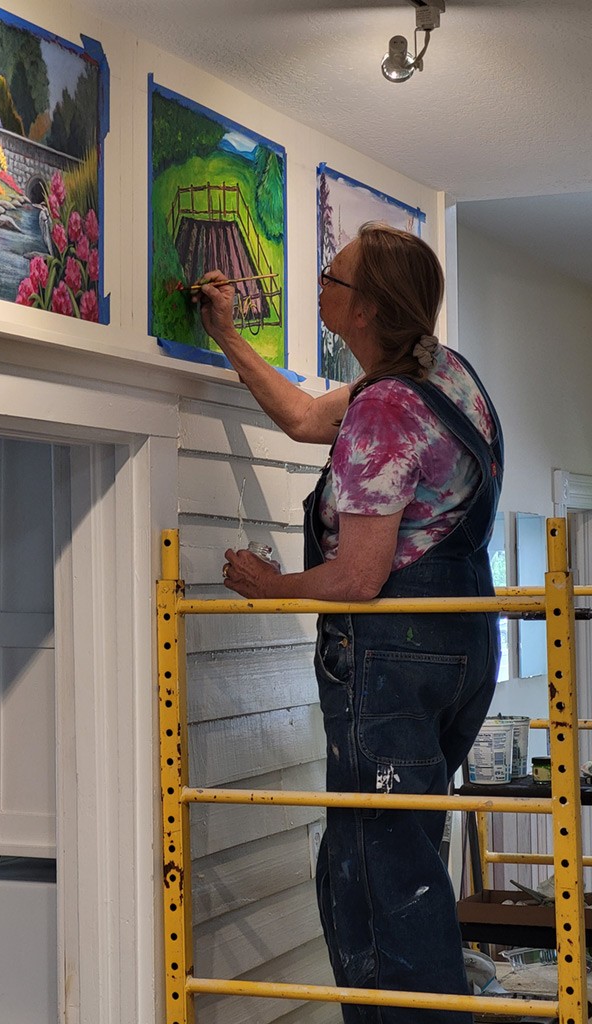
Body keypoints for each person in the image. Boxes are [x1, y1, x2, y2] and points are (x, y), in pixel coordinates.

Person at [194, 222, 503, 1024]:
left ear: (364, 308)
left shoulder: (385, 411)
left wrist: (270, 585)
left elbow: (360, 578)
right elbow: (301, 417)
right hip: (462, 642)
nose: (319, 286)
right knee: (386, 853)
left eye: (331, 277)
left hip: (396, 655)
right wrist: (226, 336)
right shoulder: (445, 375)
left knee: (379, 871)